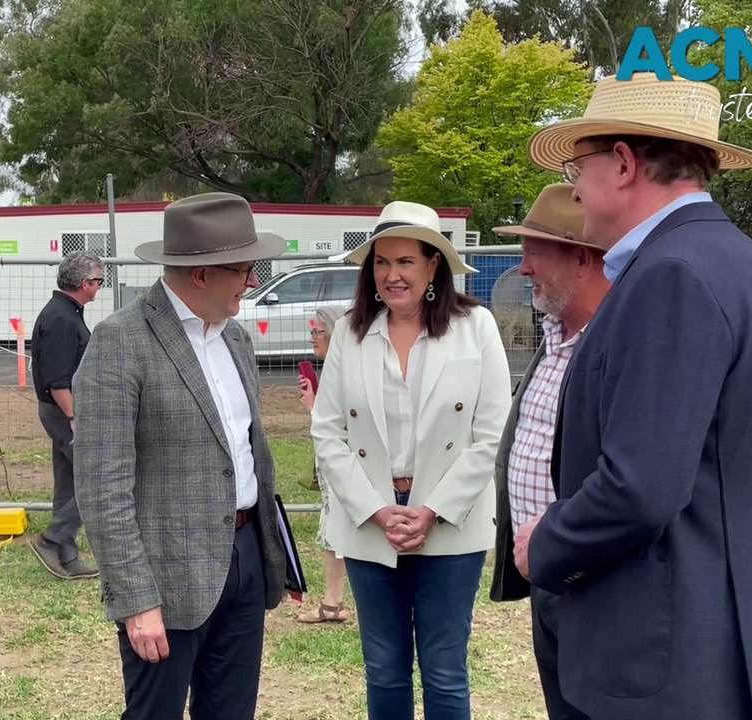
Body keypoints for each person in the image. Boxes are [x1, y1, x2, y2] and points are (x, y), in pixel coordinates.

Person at [517, 72, 752, 720]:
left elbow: (640, 487)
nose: (573, 186)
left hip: (673, 667)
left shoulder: (669, 276)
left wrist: (544, 542)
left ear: (623, 164)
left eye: (579, 164)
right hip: (743, 652)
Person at [72, 192, 288, 720]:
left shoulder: (235, 339)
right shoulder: (119, 341)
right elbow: (103, 487)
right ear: (201, 274)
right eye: (245, 269)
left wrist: (270, 555)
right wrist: (136, 598)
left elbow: (245, 452)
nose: (253, 281)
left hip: (243, 563)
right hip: (165, 582)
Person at [310, 200, 512, 720]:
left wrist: (432, 509)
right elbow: (328, 432)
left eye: (405, 262)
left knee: (445, 671)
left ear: (433, 266)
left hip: (450, 522)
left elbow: (490, 433)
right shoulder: (351, 334)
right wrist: (378, 509)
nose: (391, 275)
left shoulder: (477, 327)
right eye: (381, 262)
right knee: (384, 668)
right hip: (369, 521)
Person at [486, 183, 607, 720]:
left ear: (582, 258)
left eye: (536, 252)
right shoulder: (555, 332)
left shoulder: (615, 341)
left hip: (601, 582)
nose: (524, 268)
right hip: (552, 577)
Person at [27, 250, 104, 580]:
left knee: (70, 484)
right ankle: (52, 539)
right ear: (85, 283)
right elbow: (58, 379)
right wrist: (75, 418)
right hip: (65, 411)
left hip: (62, 411)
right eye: (99, 281)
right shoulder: (61, 318)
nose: (100, 287)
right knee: (96, 480)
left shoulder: (66, 312)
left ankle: (67, 556)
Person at [294, 304, 351, 625]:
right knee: (333, 528)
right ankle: (333, 602)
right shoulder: (334, 370)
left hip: (343, 464)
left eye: (317, 332)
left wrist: (314, 407)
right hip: (337, 465)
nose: (313, 338)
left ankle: (334, 603)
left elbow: (338, 428)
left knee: (338, 529)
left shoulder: (340, 373)